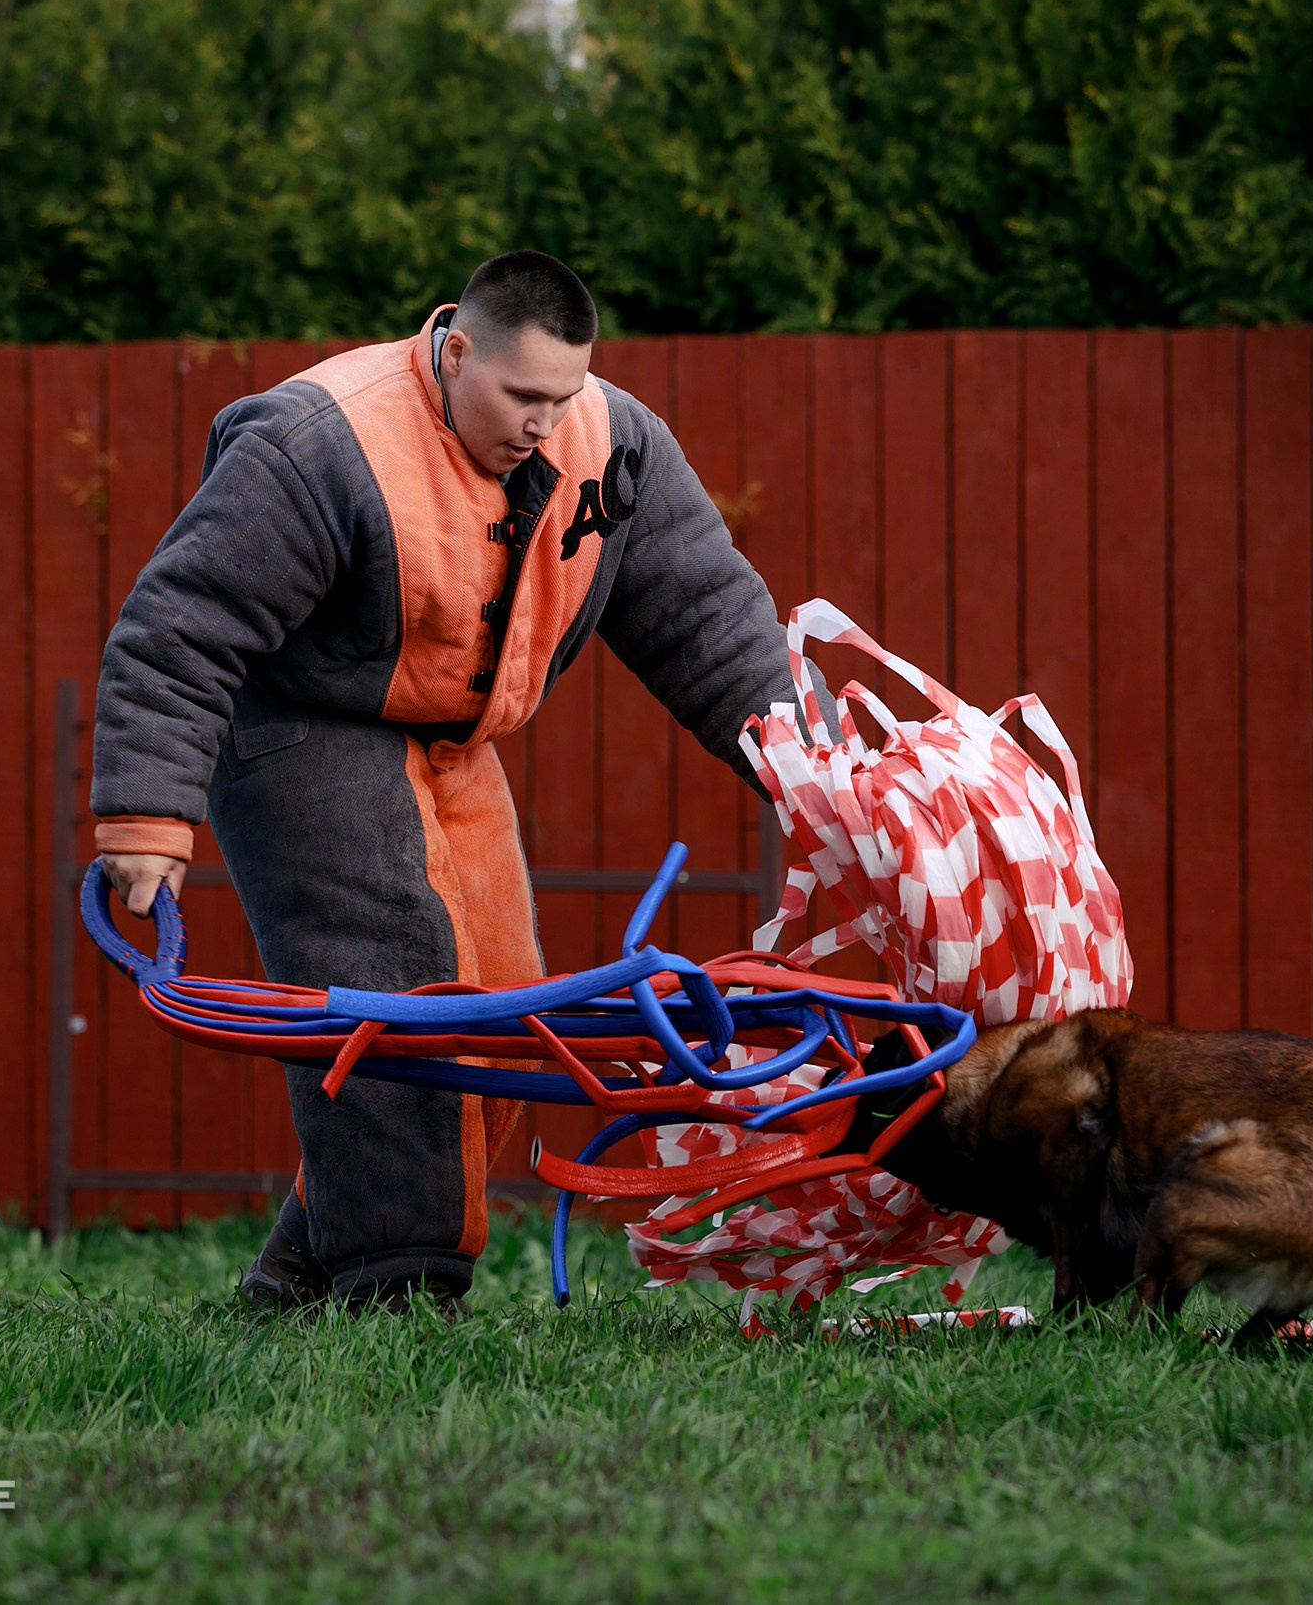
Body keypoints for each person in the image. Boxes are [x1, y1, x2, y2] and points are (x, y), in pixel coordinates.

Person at [91, 251, 795, 1311]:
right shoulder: (319, 445)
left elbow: (704, 615)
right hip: (297, 725)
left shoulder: (611, 440)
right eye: (521, 396)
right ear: (454, 348)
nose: (544, 425)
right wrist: (146, 816)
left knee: (503, 1004)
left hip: (450, 739)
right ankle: (402, 1296)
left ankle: (305, 1269)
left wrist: (811, 773)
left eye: (564, 397)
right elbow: (177, 627)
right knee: (406, 985)